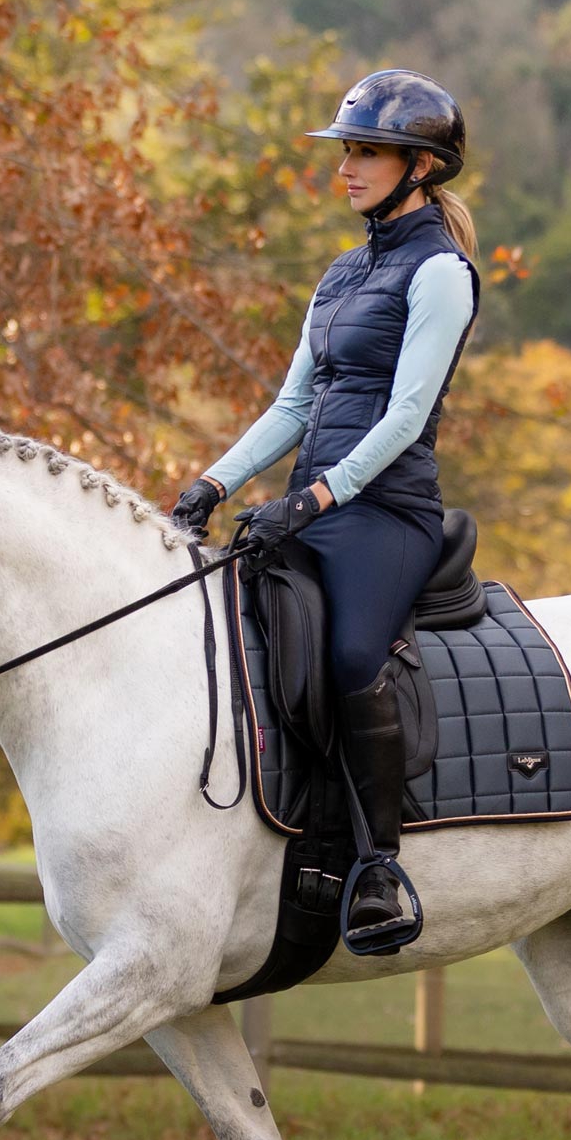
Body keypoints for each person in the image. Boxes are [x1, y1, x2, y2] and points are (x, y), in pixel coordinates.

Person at [172, 68, 480, 938]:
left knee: (350, 657)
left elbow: (407, 416)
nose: (346, 168)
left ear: (420, 167)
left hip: (388, 514)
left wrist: (314, 497)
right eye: (346, 151)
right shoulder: (341, 275)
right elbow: (295, 407)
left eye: (367, 153)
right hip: (314, 503)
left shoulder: (443, 275)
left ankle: (379, 864)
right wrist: (212, 484)